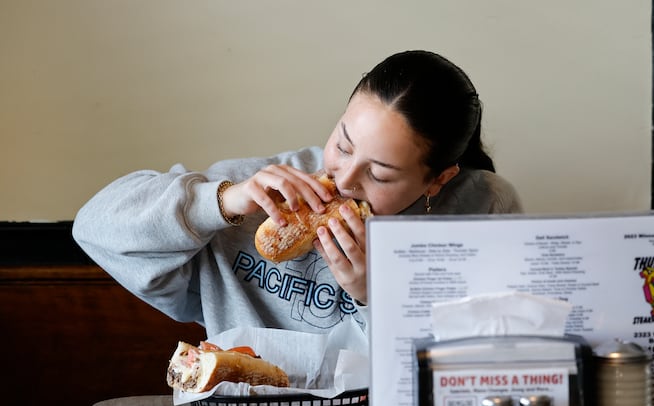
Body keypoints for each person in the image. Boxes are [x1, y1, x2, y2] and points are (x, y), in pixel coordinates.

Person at [72, 50, 523, 343]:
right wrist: (223, 202)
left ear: (437, 180)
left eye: (380, 174)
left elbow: (488, 359)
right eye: (343, 145)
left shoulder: (479, 209)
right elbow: (93, 227)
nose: (344, 178)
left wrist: (375, 293)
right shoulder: (256, 190)